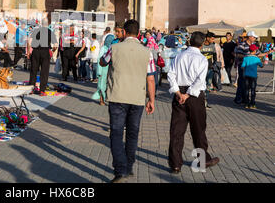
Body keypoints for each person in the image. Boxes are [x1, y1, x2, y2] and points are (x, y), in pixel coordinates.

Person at [100, 20, 156, 183]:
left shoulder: (114, 48)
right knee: (132, 133)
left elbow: (103, 61)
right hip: (137, 98)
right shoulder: (147, 52)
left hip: (117, 96)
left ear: (124, 32)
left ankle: (120, 170)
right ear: (138, 33)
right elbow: (151, 78)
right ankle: (129, 166)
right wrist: (151, 100)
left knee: (116, 134)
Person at [167, 31, 220, 174]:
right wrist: (188, 94)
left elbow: (170, 74)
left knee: (177, 130)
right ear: (202, 44)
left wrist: (178, 92)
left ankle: (175, 164)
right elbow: (199, 80)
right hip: (195, 96)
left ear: (189, 41)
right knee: (198, 129)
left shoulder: (179, 56)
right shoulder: (202, 59)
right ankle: (202, 160)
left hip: (180, 93)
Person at [28, 25, 57, 95]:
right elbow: (55, 45)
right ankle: (42, 90)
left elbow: (29, 42)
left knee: (33, 70)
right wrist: (52, 51)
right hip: (45, 51)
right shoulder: (50, 32)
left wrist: (29, 52)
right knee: (44, 72)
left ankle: (31, 89)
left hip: (36, 51)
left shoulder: (35, 31)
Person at [92, 34, 114, 105]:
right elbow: (99, 60)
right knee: (102, 86)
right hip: (103, 70)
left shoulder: (112, 48)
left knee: (109, 85)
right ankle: (101, 100)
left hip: (110, 71)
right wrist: (99, 72)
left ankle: (107, 99)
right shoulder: (103, 48)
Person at [241, 44, 264, 109]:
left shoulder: (245, 58)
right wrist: (263, 63)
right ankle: (252, 104)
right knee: (253, 90)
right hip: (253, 76)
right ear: (254, 51)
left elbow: (242, 67)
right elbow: (261, 66)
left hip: (246, 75)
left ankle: (246, 103)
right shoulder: (257, 58)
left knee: (247, 89)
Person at [200, 32, 218, 108]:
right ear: (207, 38)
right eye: (212, 38)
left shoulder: (213, 46)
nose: (213, 40)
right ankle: (199, 102)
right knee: (200, 85)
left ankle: (205, 102)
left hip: (210, 68)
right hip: (201, 69)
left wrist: (214, 63)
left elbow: (215, 55)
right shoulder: (201, 46)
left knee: (208, 85)